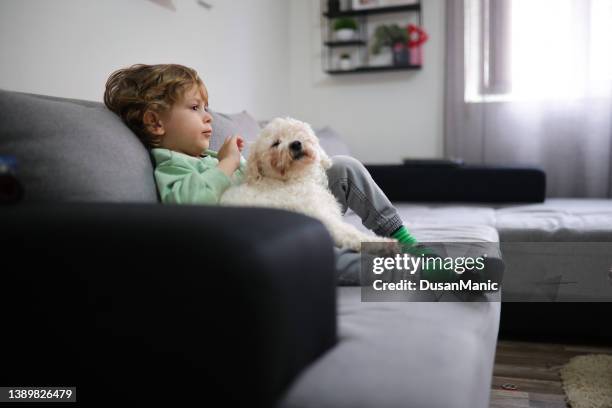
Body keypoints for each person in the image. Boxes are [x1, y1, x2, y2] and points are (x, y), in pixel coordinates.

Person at [104, 63, 434, 284]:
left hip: (291, 208)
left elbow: (264, 186)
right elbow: (189, 204)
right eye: (194, 108)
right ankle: (400, 270)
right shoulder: (170, 163)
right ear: (155, 122)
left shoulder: (206, 153)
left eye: (206, 108)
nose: (208, 118)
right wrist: (227, 163)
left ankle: (404, 239)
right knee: (317, 257)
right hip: (262, 241)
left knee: (345, 167)